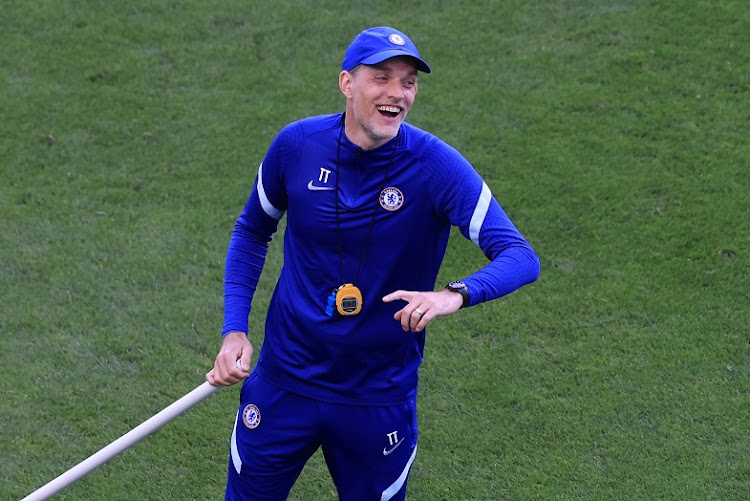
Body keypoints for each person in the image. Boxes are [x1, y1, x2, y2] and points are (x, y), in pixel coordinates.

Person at [206, 26, 540, 501]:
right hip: (283, 385)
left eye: (408, 82)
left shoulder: (435, 166)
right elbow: (252, 230)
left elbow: (520, 256)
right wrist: (234, 330)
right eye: (381, 77)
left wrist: (453, 295)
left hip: (376, 400)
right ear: (347, 83)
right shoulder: (296, 146)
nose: (396, 94)